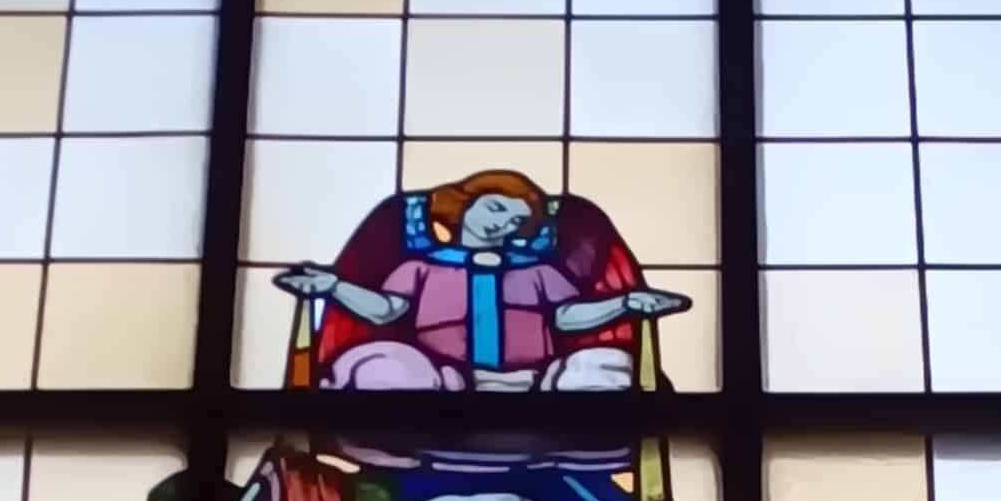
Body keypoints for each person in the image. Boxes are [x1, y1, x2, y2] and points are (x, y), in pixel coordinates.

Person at [274, 168, 689, 394]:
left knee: (607, 369)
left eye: (515, 221)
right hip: (448, 383)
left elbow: (567, 316)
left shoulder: (536, 270)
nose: (502, 224)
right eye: (495, 208)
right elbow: (386, 310)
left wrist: (625, 304)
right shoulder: (423, 267)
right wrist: (332, 287)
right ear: (463, 203)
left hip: (537, 387)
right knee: (379, 364)